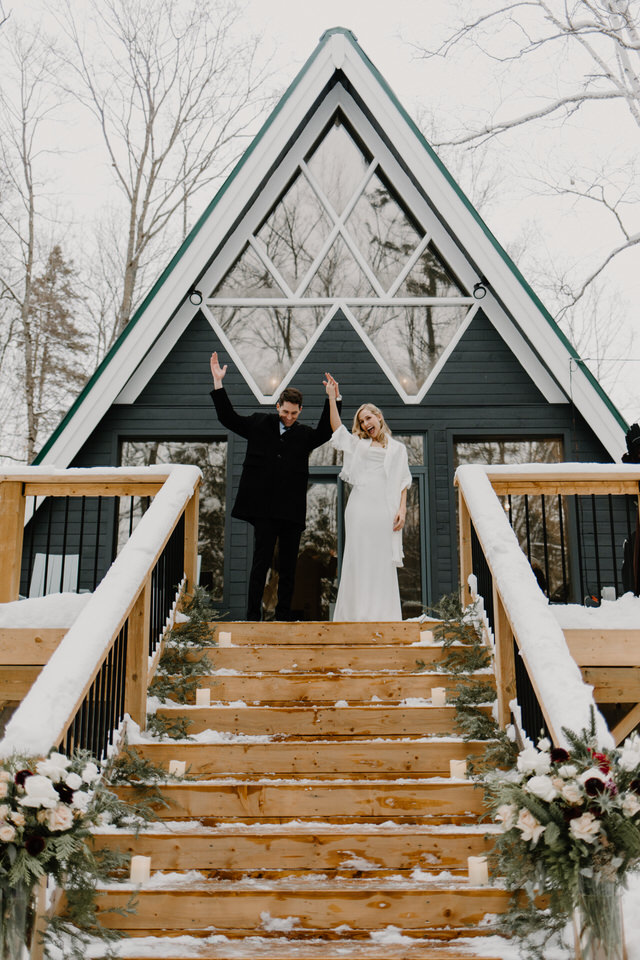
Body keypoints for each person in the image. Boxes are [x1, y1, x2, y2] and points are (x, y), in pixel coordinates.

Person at [210, 352, 341, 620]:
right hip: (264, 510)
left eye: (294, 413)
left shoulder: (305, 436)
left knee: (289, 566)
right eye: (284, 412)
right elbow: (229, 418)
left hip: (291, 512)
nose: (289, 417)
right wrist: (218, 382)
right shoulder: (259, 423)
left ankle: (283, 616)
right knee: (261, 563)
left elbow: (327, 431)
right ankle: (252, 616)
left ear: (300, 410)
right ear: (277, 406)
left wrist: (332, 398)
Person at [323, 372, 412, 621]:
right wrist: (333, 398)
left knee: (381, 561)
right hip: (360, 508)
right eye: (361, 422)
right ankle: (355, 616)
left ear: (379, 417)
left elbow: (404, 481)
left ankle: (382, 616)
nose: (365, 424)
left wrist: (402, 510)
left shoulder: (398, 450)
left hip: (384, 510)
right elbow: (337, 429)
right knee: (359, 559)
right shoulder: (358, 445)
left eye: (368, 418)